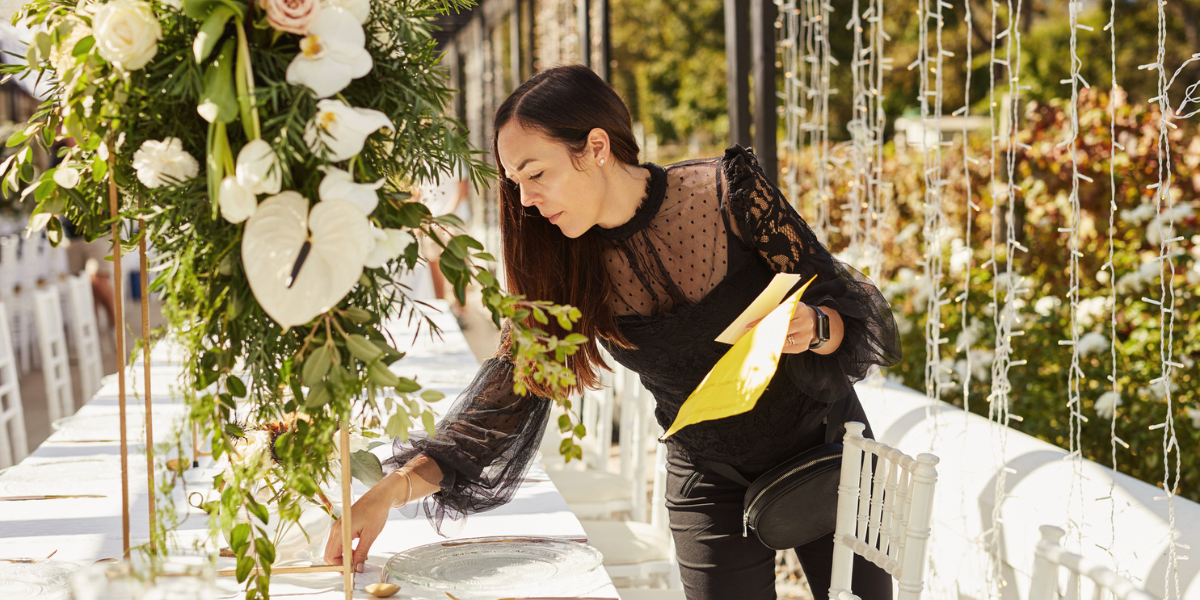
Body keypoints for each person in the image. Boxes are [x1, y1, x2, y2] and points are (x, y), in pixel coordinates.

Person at [324, 65, 902, 600]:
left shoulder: (728, 194)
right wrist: (389, 491)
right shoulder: (563, 266)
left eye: (536, 173)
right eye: (514, 182)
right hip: (708, 473)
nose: (524, 199)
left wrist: (815, 325)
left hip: (829, 445)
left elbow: (839, 301)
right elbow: (506, 396)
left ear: (596, 147)